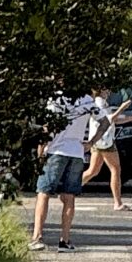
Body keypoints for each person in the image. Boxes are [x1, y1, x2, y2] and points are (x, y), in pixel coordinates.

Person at [32, 95, 93, 248]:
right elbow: (104, 121)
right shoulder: (87, 100)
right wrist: (91, 142)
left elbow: (48, 127)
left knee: (44, 192)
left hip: (56, 150)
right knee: (69, 196)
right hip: (76, 151)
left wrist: (40, 150)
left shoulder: (56, 99)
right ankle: (64, 240)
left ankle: (37, 237)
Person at [80, 89, 132, 211]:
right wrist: (122, 108)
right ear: (100, 91)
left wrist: (129, 119)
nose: (108, 92)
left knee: (93, 170)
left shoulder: (102, 102)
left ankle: (71, 188)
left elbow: (112, 120)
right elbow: (109, 119)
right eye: (106, 90)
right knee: (115, 169)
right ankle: (117, 202)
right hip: (105, 140)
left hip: (99, 140)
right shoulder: (99, 103)